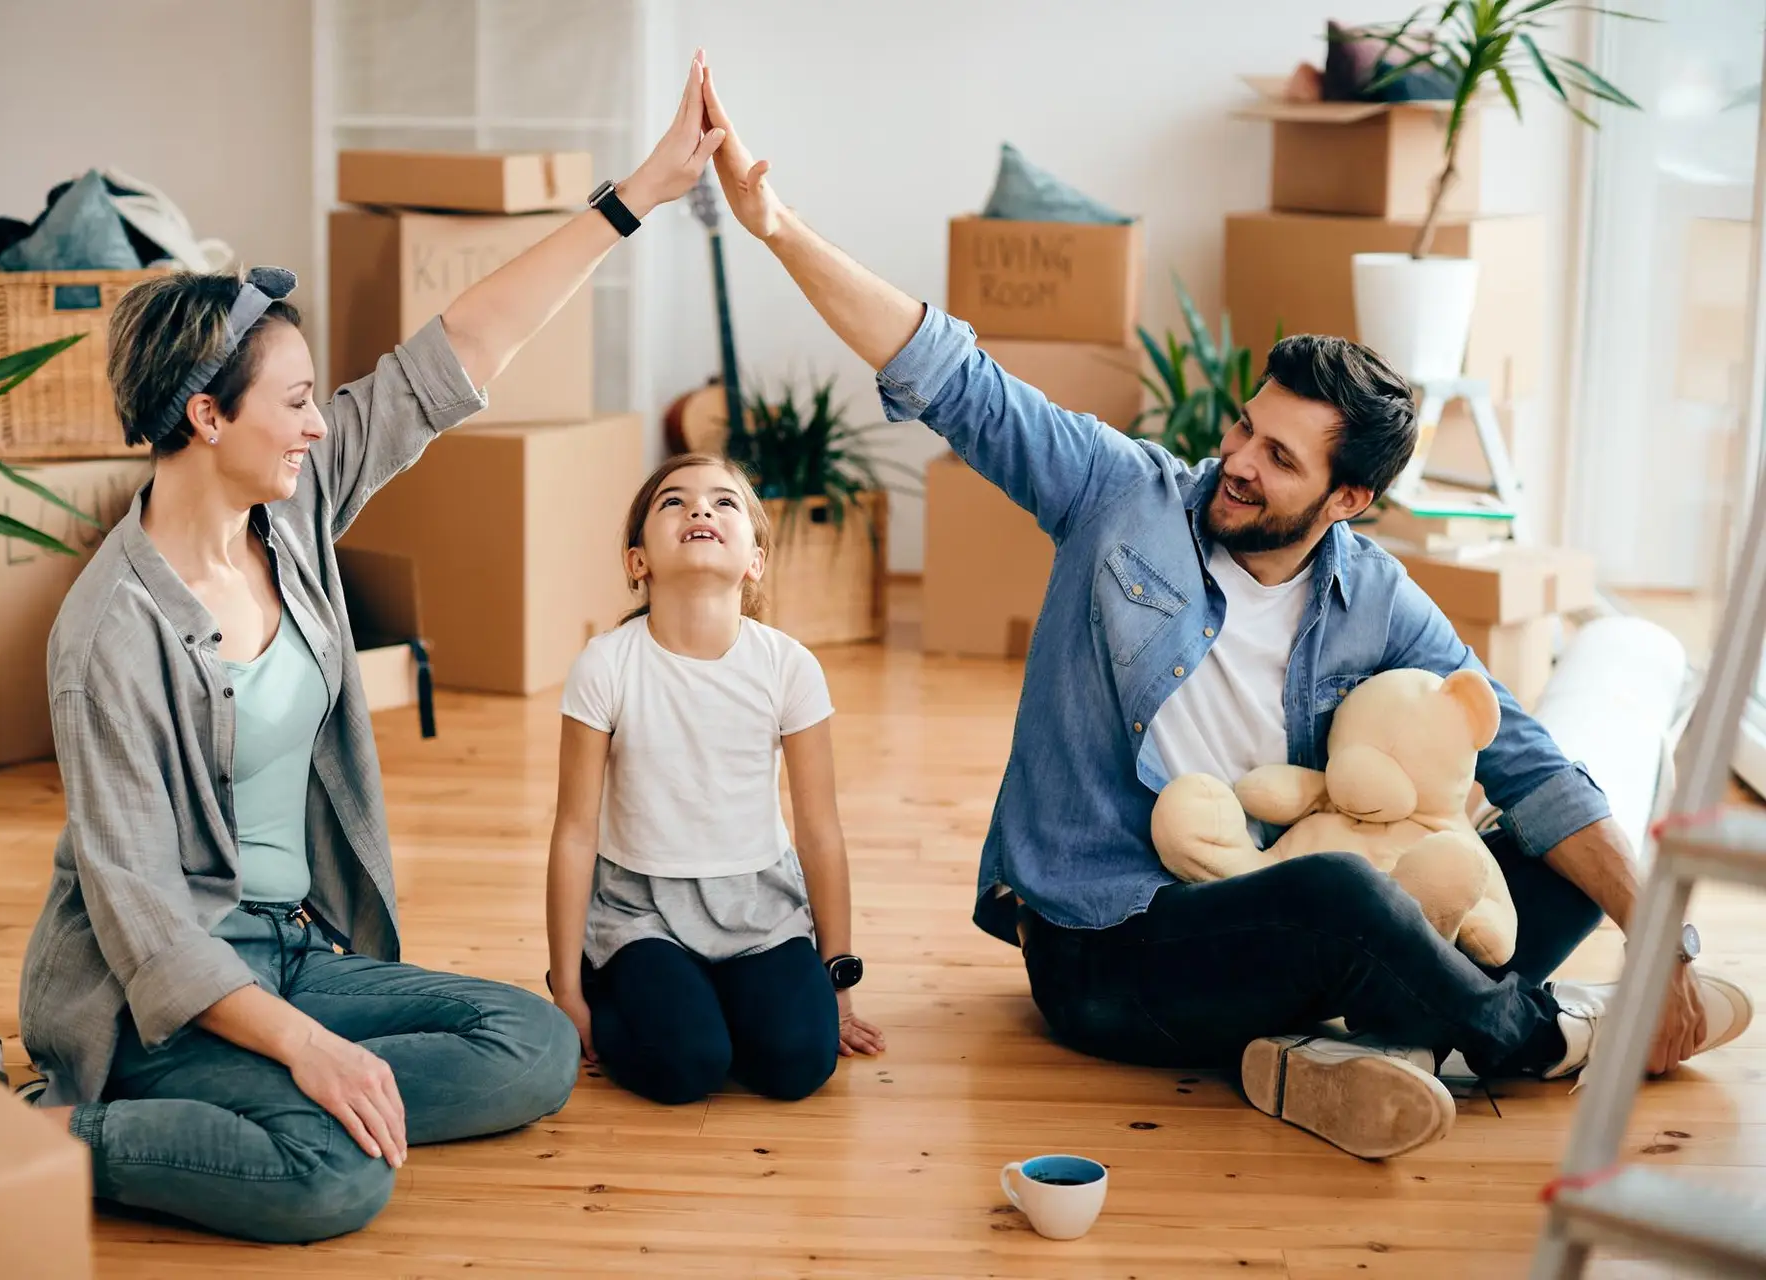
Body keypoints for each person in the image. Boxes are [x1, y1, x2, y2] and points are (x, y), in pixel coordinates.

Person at [694, 64, 1754, 1159]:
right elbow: (948, 373)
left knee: (1554, 869)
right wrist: (774, 226)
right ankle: (1534, 1041)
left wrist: (1662, 938)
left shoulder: (1373, 591)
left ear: (1350, 501)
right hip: (1115, 951)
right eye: (1245, 427)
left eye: (1277, 457)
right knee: (1341, 894)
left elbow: (1529, 764)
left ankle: (1341, 1051)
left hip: (1269, 916)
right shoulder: (1122, 497)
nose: (1235, 462)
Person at [15, 53, 728, 1242]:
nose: (316, 420)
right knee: (337, 1182)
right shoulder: (107, 632)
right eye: (292, 399)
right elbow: (145, 919)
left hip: (295, 950)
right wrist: (310, 1053)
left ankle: (291, 1102)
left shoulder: (283, 511)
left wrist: (639, 193)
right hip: (160, 999)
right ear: (205, 415)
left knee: (537, 1043)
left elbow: (451, 357)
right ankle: (60, 1130)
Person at [544, 454, 886, 1106]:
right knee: (687, 1068)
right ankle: (625, 981)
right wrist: (567, 989)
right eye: (673, 501)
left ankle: (716, 998)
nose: (700, 509)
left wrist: (836, 979)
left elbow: (819, 831)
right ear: (637, 561)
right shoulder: (605, 666)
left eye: (724, 501)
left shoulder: (789, 666)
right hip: (640, 911)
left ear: (755, 559)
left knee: (799, 1065)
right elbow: (573, 831)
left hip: (758, 908)